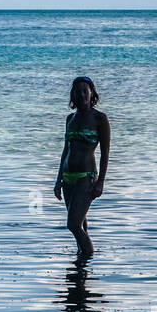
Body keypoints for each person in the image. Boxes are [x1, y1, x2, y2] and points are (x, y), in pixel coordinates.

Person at [53, 76, 110, 264]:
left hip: (86, 177)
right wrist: (58, 180)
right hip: (68, 177)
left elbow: (105, 153)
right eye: (78, 91)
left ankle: (88, 260)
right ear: (73, 95)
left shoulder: (99, 119)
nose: (82, 94)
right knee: (82, 225)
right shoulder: (70, 118)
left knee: (73, 224)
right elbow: (65, 150)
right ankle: (81, 271)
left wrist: (101, 181)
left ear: (92, 92)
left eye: (85, 91)